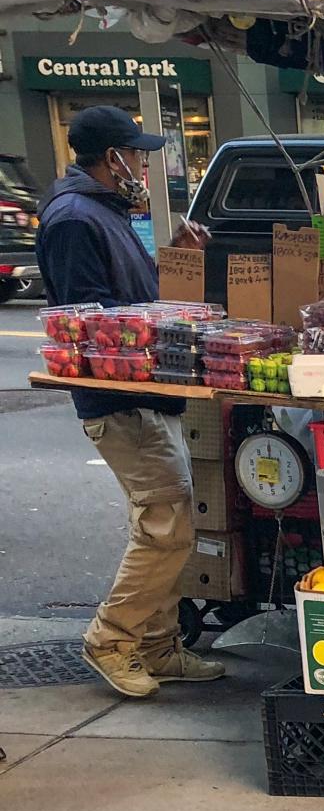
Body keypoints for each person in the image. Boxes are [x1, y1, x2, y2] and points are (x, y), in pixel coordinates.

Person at [37, 106, 225, 698]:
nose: (144, 163)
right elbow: (89, 323)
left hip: (147, 396)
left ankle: (158, 645)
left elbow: (132, 301)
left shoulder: (105, 213)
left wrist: (172, 255)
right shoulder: (73, 219)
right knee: (165, 526)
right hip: (118, 402)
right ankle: (111, 639)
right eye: (137, 153)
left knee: (172, 521)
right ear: (111, 157)